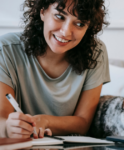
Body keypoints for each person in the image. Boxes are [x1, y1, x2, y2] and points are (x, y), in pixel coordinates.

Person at [0, 0, 110, 139]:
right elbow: (2, 120)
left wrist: (45, 121)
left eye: (80, 23)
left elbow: (83, 123)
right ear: (42, 11)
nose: (65, 32)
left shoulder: (96, 52)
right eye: (59, 16)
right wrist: (9, 128)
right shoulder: (5, 50)